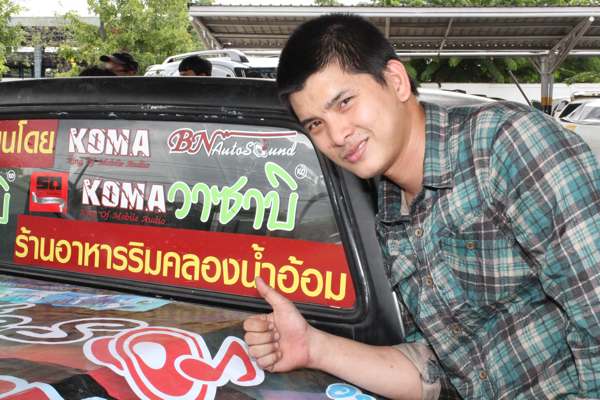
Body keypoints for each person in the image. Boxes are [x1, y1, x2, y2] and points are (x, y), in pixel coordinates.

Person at [243, 14, 600, 400]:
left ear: (396, 81)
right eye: (315, 124)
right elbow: (442, 372)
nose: (337, 135)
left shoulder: (505, 145)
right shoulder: (389, 214)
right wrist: (315, 348)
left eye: (345, 102)